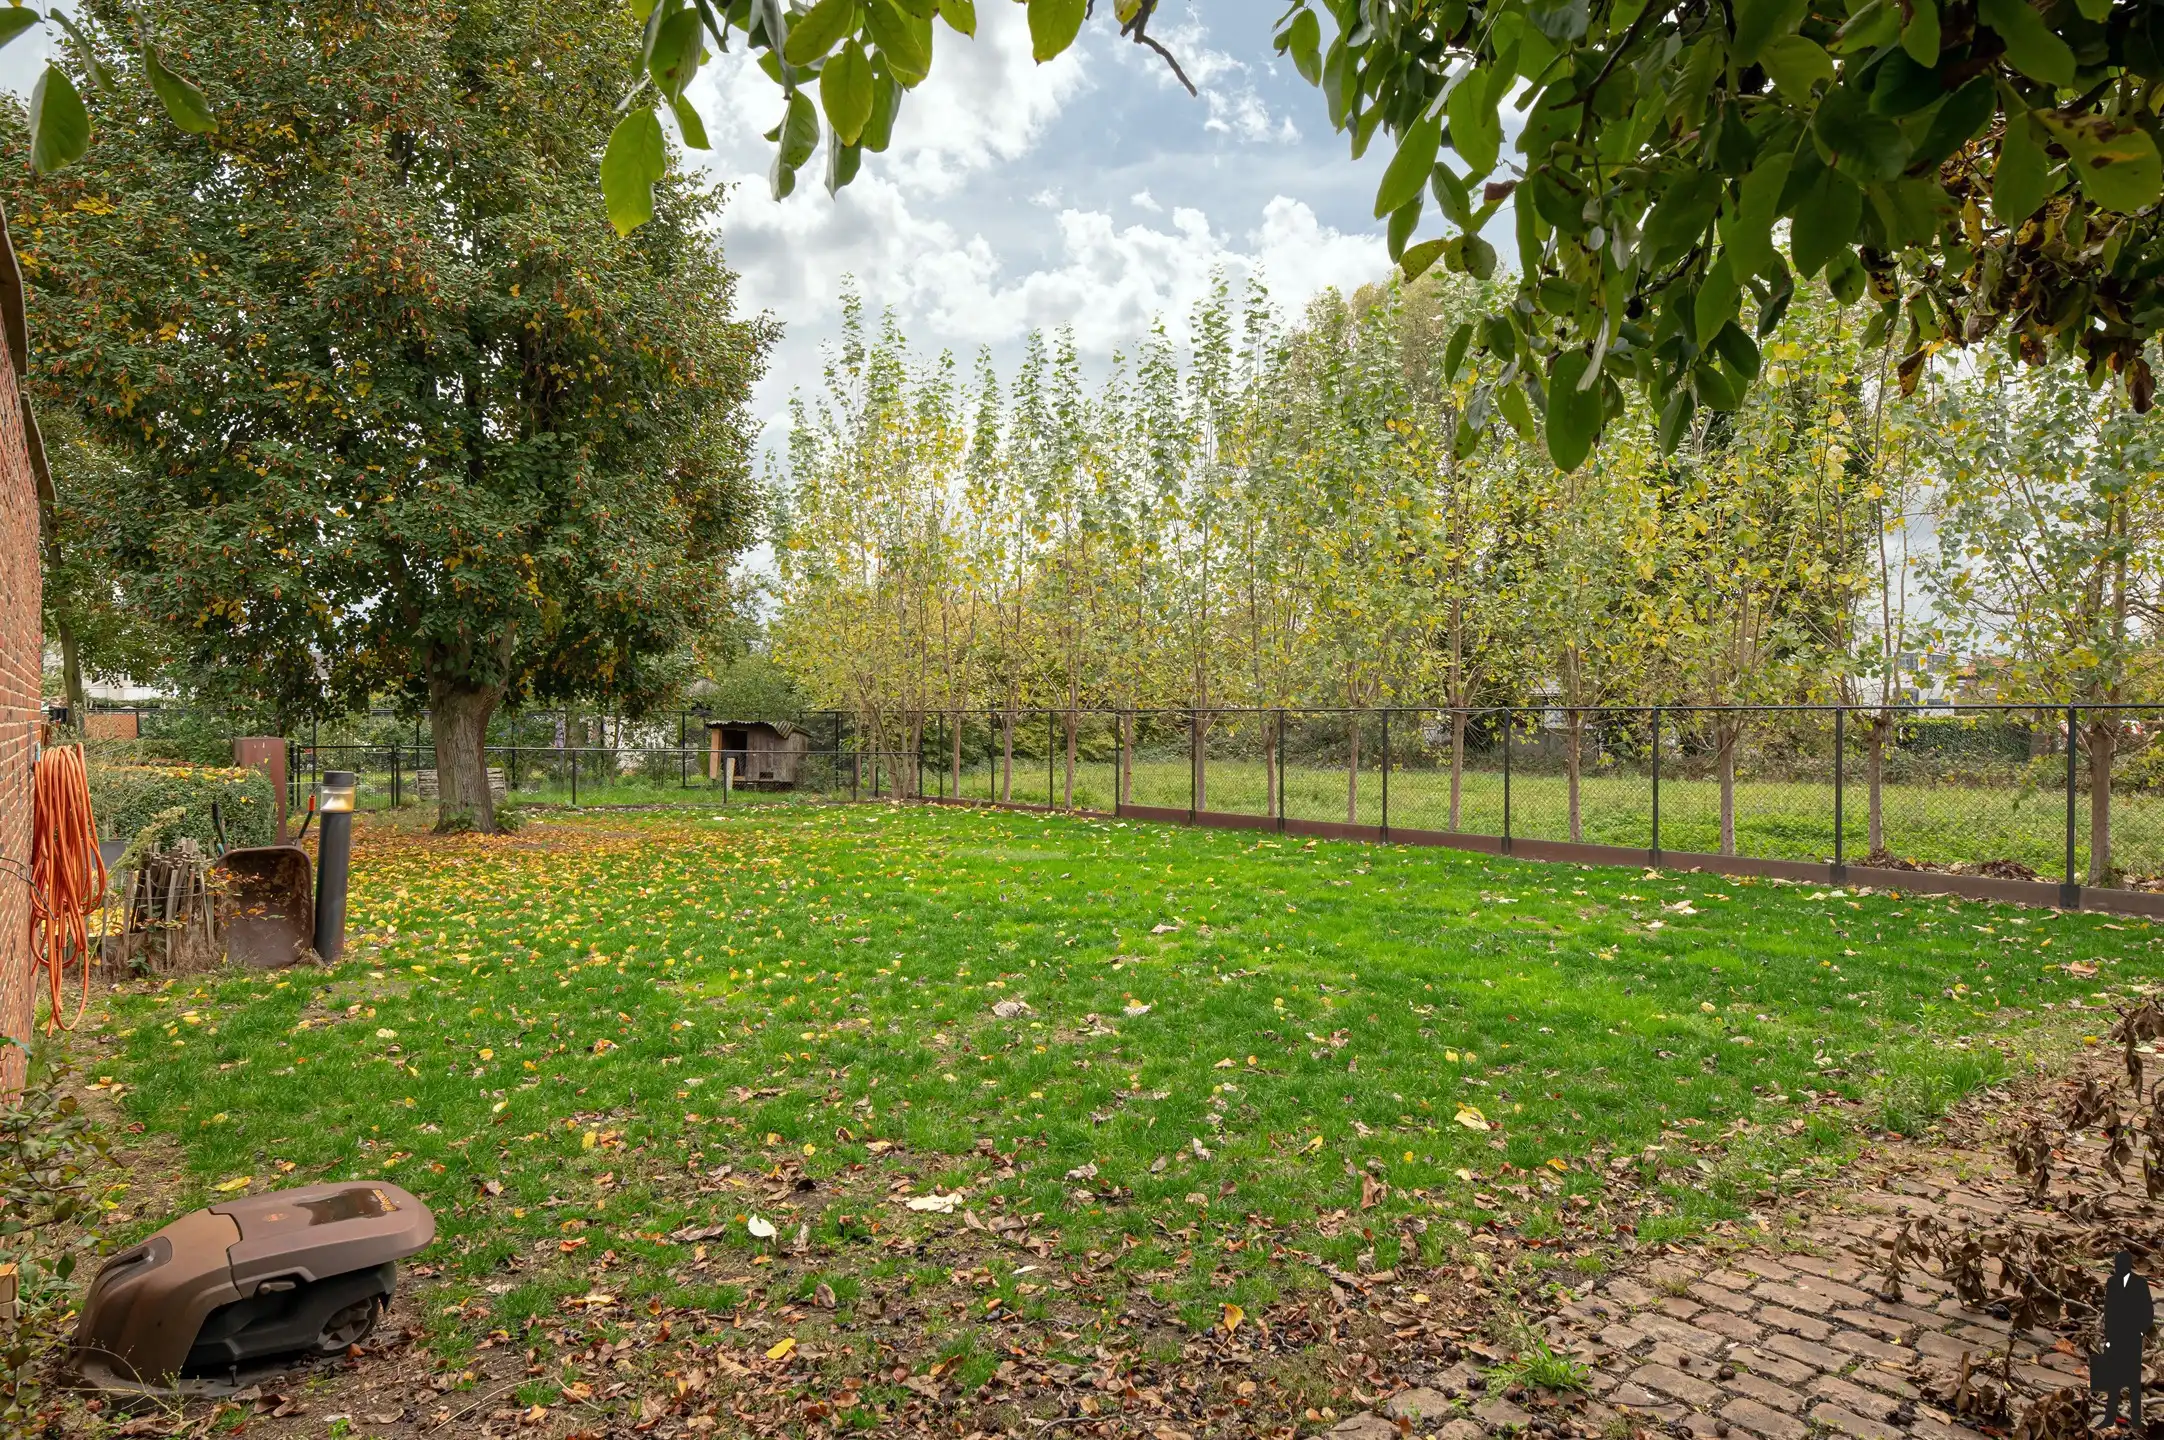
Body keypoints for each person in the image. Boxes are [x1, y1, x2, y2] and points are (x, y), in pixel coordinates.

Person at [2094, 1250, 2154, 1427]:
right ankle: (2109, 1416)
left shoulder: (2139, 1284)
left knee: (2133, 1380)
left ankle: (2135, 1419)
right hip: (2115, 1336)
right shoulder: (2112, 1283)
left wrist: (2141, 1332)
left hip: (2133, 1336)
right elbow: (2109, 1310)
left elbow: (2148, 1311)